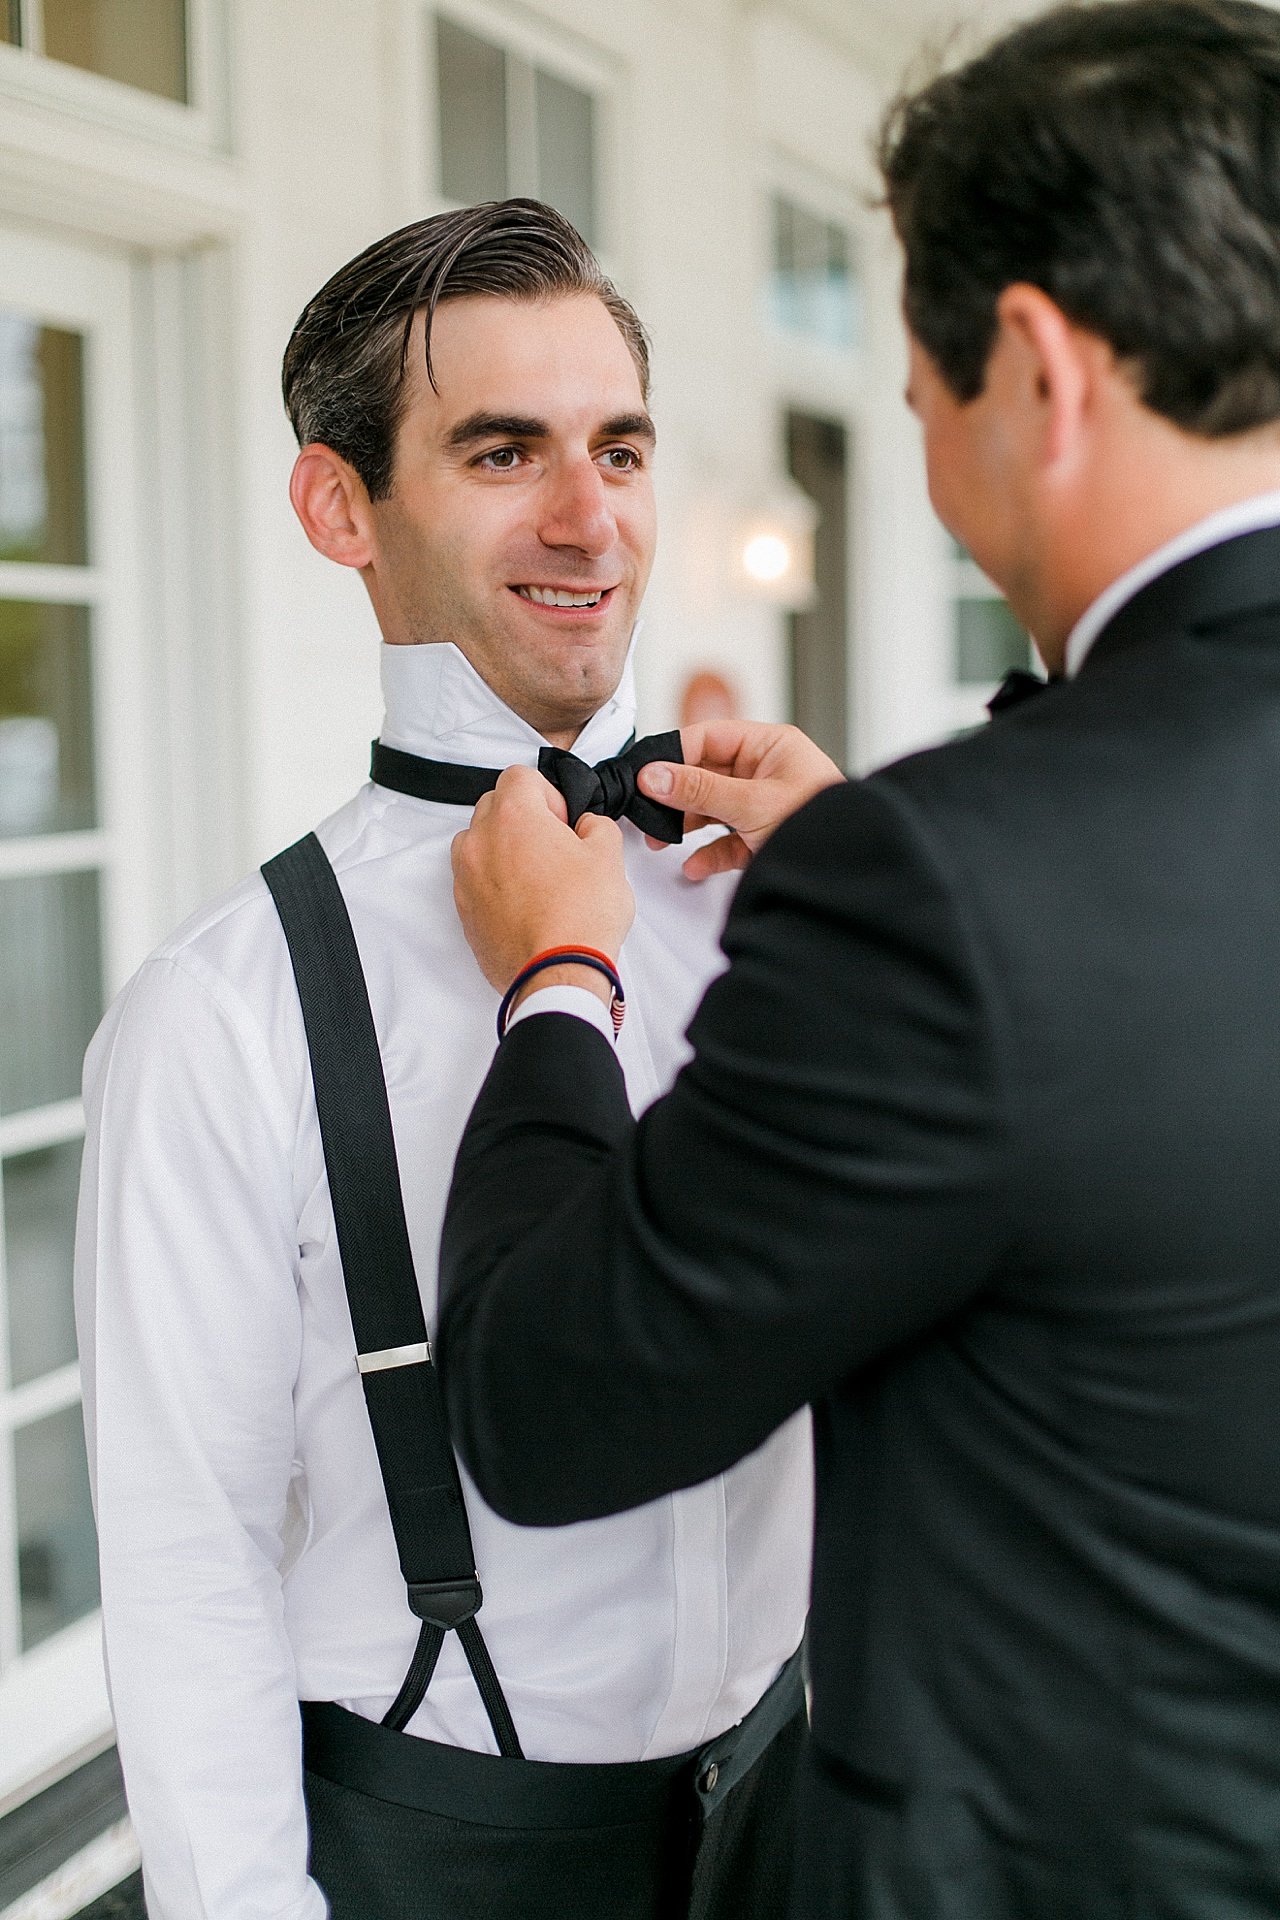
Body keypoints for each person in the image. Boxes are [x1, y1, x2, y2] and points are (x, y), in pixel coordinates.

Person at [437, 6, 1280, 1915]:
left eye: (915, 391)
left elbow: (548, 1406)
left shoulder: (960, 888)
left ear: (1040, 373)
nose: (914, 445)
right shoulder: (962, 878)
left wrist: (559, 976)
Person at [74, 201, 812, 1920]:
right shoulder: (225, 1007)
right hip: (451, 1845)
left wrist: (888, 926)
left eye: (618, 448)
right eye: (504, 452)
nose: (589, 519)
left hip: (811, 1813)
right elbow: (189, 1571)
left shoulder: (779, 903)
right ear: (343, 507)